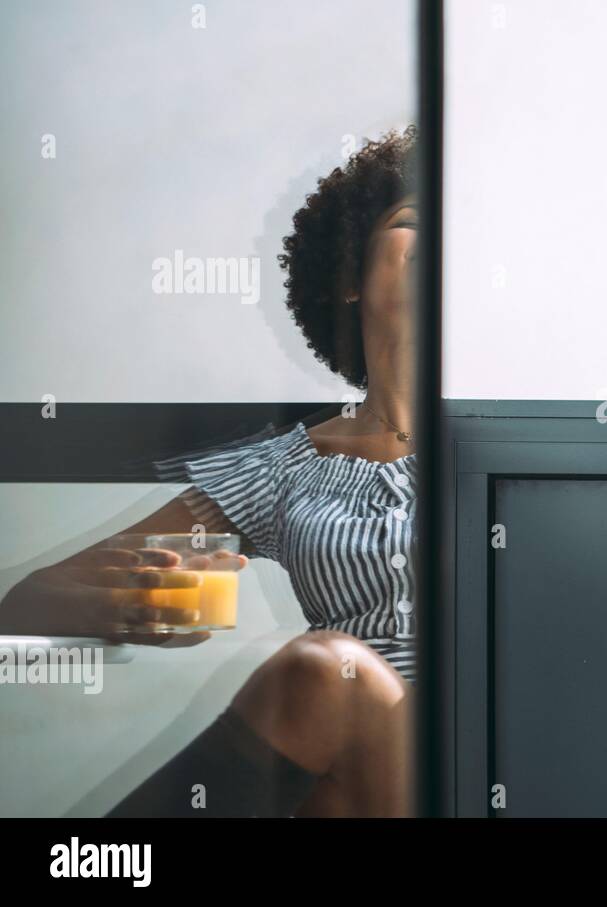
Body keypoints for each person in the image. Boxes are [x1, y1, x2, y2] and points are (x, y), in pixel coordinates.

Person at [0, 126, 421, 817]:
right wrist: (130, 600)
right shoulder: (285, 466)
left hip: (486, 753)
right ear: (348, 276)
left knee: (327, 670)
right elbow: (26, 599)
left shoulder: (508, 447)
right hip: (352, 761)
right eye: (410, 224)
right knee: (329, 681)